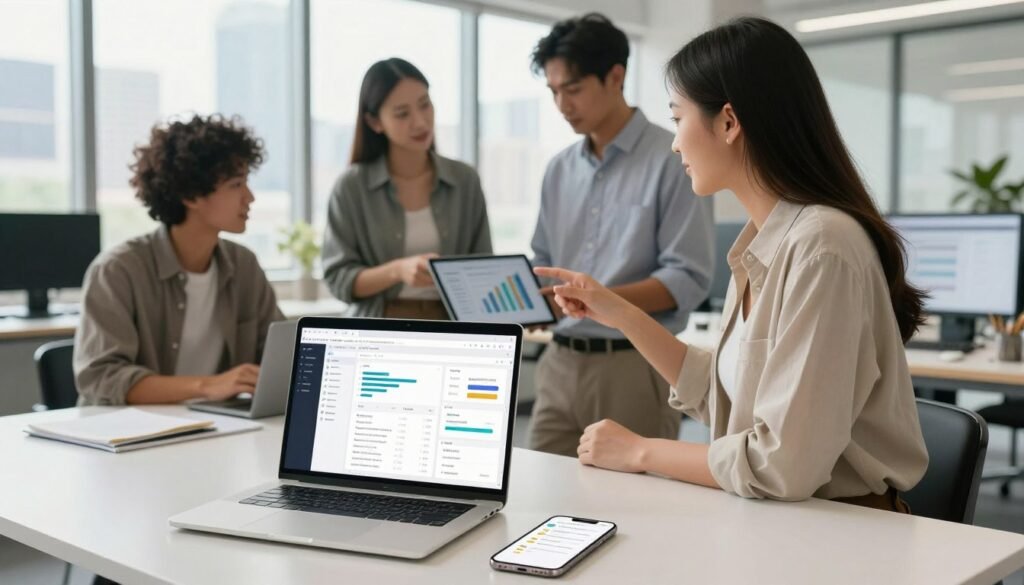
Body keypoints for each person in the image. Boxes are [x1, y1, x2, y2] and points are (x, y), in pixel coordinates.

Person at [536, 17, 929, 511]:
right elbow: (720, 393)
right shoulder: (762, 243)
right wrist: (614, 310)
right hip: (779, 522)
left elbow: (781, 463)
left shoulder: (823, 246)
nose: (675, 141)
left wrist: (640, 451)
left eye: (678, 118)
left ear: (727, 122)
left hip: (842, 532)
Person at [527, 13, 714, 456]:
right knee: (535, 499)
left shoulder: (673, 158)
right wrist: (529, 298)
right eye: (553, 91)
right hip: (558, 362)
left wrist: (600, 301)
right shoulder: (558, 170)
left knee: (633, 515)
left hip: (634, 365)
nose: (562, 104)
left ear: (615, 76)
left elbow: (686, 279)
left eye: (572, 89)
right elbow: (543, 260)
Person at [74, 114, 284, 405]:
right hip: (128, 437)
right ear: (191, 195)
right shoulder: (118, 270)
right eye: (236, 184)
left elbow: (280, 358)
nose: (250, 197)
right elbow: (102, 378)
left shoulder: (244, 265)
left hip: (216, 428)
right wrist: (208, 386)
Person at [322, 58, 492, 319]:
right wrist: (398, 271)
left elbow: (483, 269)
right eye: (402, 113)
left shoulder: (465, 180)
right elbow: (338, 279)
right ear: (375, 122)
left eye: (425, 105)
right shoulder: (351, 188)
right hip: (379, 327)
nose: (420, 122)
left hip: (451, 327)